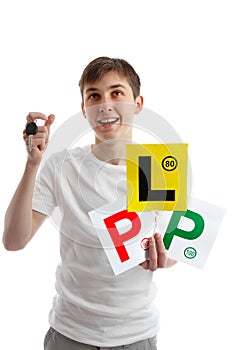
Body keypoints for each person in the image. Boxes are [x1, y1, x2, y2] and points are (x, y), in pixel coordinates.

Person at [3, 57, 177, 350]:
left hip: (136, 334)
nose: (104, 104)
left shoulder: (158, 167)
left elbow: (173, 248)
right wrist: (32, 165)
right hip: (70, 333)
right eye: (94, 95)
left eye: (117, 92)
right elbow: (13, 240)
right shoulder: (62, 167)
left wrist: (163, 258)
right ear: (84, 110)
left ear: (138, 103)